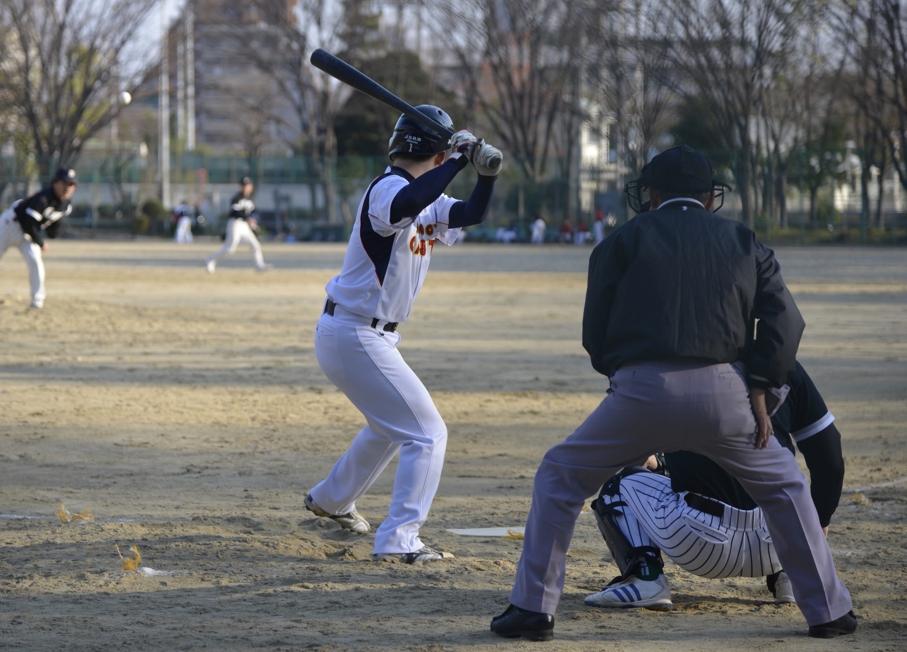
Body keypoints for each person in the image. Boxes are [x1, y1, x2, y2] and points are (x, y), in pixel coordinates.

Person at [490, 145, 855, 641]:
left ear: (652, 194)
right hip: (729, 392)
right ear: (710, 198)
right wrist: (763, 386)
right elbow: (785, 321)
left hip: (641, 390)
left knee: (559, 477)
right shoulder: (743, 239)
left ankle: (533, 610)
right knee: (787, 487)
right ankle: (829, 612)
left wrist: (626, 379)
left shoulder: (622, 239)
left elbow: (595, 334)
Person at [304, 106, 503, 564]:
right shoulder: (388, 188)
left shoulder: (427, 195)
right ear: (435, 154)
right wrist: (456, 159)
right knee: (427, 434)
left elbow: (470, 212)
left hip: (365, 335)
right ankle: (399, 539)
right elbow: (403, 207)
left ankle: (332, 500)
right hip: (354, 332)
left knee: (392, 426)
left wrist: (485, 175)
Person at [585, 360, 843, 610]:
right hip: (780, 543)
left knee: (618, 485)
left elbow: (633, 455)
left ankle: (645, 578)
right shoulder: (782, 364)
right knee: (789, 481)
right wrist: (814, 532)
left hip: (697, 545)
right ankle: (791, 577)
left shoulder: (667, 366)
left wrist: (658, 461)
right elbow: (829, 460)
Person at [0, 166, 77, 309]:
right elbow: (28, 223)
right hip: (10, 226)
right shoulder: (43, 198)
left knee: (35, 262)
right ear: (55, 183)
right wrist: (41, 243)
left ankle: (37, 301)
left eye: (71, 184)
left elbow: (52, 230)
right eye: (64, 183)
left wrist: (55, 227)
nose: (67, 187)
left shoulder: (66, 206)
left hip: (27, 235)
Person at [205, 177, 270, 272]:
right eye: (243, 185)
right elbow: (233, 212)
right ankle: (210, 259)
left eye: (247, 185)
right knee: (229, 249)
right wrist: (247, 218)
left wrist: (254, 220)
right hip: (235, 224)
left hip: (245, 225)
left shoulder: (250, 199)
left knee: (255, 245)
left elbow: (253, 212)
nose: (245, 188)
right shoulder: (236, 198)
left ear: (251, 187)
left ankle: (259, 265)